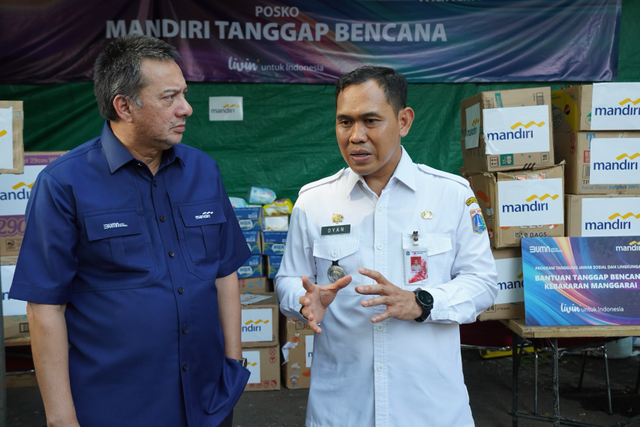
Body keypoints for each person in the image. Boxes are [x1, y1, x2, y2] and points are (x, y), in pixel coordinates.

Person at [9, 34, 250, 427]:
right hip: (116, 408)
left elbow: (225, 273)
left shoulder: (204, 171)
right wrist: (61, 418)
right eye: (169, 97)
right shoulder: (63, 183)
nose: (186, 108)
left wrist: (232, 364)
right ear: (124, 106)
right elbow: (45, 307)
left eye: (184, 94)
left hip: (208, 402)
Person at [275, 65, 498, 427]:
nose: (355, 136)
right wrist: (302, 301)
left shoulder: (450, 195)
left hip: (431, 410)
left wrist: (422, 302)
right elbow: (288, 280)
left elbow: (484, 282)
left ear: (404, 121)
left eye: (371, 121)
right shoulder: (312, 202)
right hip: (342, 410)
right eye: (345, 122)